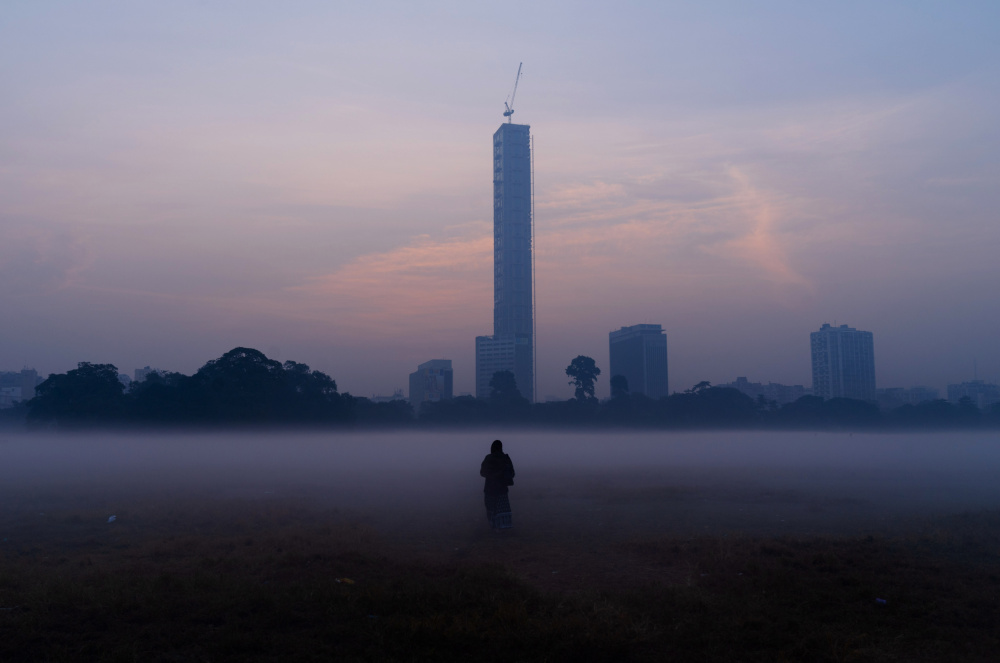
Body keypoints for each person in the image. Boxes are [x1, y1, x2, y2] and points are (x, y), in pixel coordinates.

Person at [480, 439, 515, 529]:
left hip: (489, 488)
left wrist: (493, 475)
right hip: (502, 489)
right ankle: (503, 527)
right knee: (501, 509)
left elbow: (482, 472)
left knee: (491, 508)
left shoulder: (488, 458)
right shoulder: (505, 458)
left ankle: (495, 526)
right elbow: (512, 473)